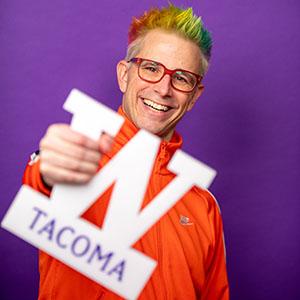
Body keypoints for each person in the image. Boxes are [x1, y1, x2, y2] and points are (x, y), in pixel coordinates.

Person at [23, 4, 229, 299]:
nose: (163, 88)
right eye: (151, 68)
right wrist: (46, 173)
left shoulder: (203, 204)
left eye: (182, 78)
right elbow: (41, 186)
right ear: (124, 75)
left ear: (194, 96)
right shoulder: (78, 159)